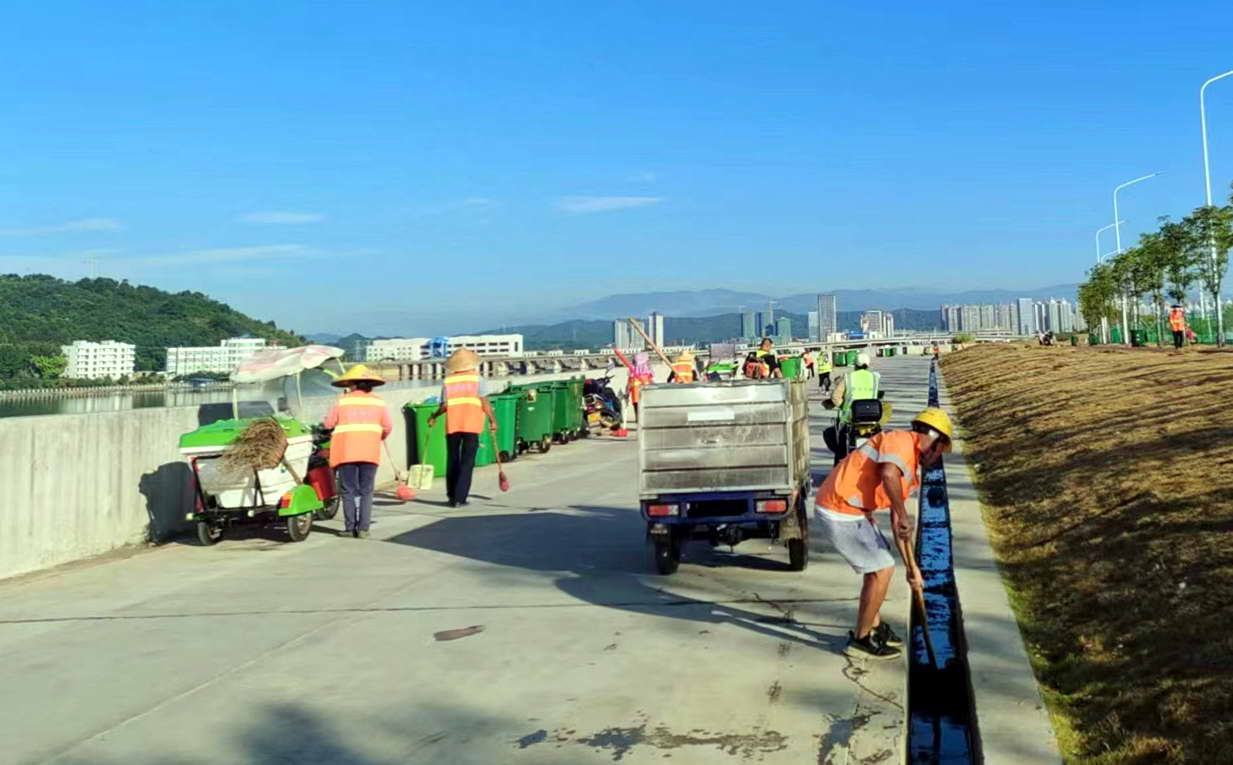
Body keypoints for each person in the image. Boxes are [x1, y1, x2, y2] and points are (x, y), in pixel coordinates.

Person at [814, 408, 954, 659]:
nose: (937, 458)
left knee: (881, 562)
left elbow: (897, 522)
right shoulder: (901, 440)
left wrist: (912, 568)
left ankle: (874, 625)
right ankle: (861, 640)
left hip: (856, 512)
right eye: (941, 450)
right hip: (838, 508)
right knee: (882, 569)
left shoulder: (910, 465)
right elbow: (888, 474)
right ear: (934, 438)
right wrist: (902, 513)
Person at [323, 364, 393, 539]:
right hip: (370, 451)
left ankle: (349, 528)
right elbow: (387, 426)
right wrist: (379, 436)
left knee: (348, 490)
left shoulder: (342, 400)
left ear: (352, 384)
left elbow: (329, 424)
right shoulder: (378, 401)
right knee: (366, 491)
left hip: (346, 452)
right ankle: (363, 529)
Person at [427, 349, 498, 508]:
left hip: (453, 425)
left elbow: (444, 406)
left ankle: (452, 495)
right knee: (467, 462)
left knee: (452, 459)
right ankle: (460, 498)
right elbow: (485, 403)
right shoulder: (478, 379)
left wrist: (433, 416)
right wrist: (493, 421)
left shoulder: (448, 381)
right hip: (471, 425)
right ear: (472, 363)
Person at [824, 353, 884, 462]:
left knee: (836, 442)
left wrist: (844, 407)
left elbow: (835, 397)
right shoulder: (875, 377)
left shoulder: (848, 377)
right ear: (868, 365)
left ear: (855, 365)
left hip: (850, 419)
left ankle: (840, 465)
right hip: (872, 420)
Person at [627, 352, 654, 421]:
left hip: (635, 397)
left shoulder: (633, 373)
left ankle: (638, 419)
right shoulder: (647, 372)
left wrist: (627, 393)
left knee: (637, 410)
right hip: (646, 396)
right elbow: (651, 382)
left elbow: (629, 384)